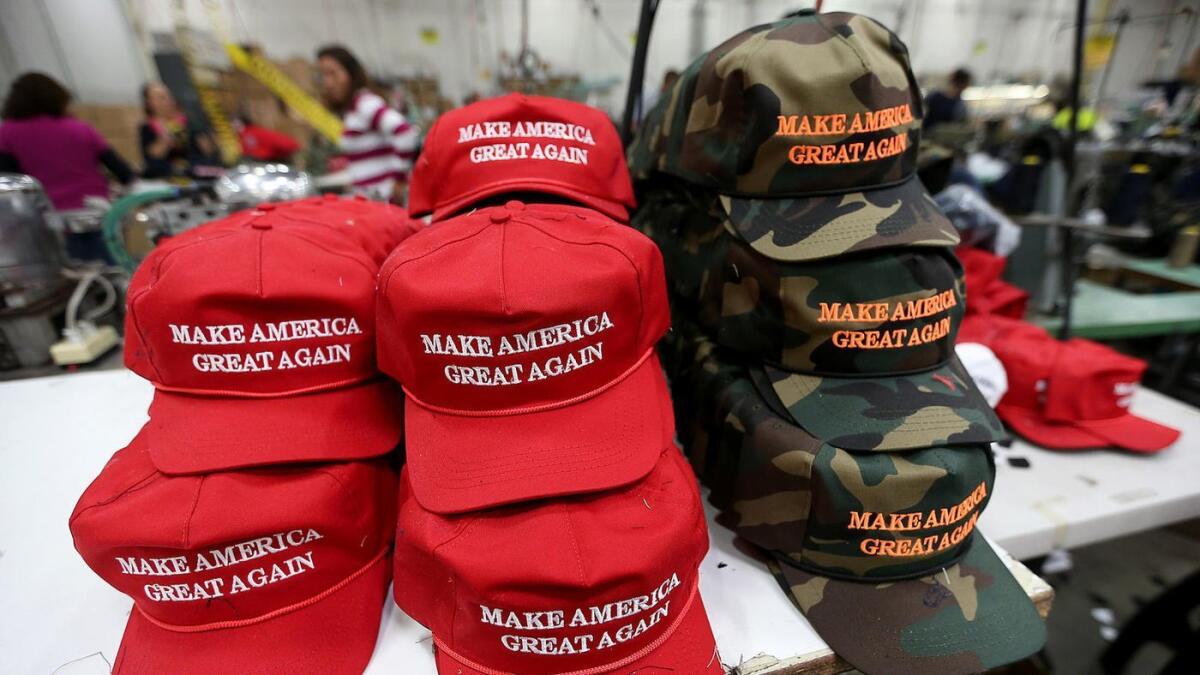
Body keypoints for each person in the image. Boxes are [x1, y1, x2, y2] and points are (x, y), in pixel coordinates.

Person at [0, 72, 135, 261]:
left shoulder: (6, 133)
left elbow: (10, 183)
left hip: (49, 223)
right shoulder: (81, 128)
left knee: (72, 284)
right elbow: (123, 172)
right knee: (112, 275)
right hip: (98, 214)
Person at [317, 45, 418, 203]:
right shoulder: (353, 109)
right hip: (371, 199)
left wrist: (398, 180)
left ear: (350, 73)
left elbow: (404, 131)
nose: (328, 83)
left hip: (384, 200)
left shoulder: (365, 104)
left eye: (333, 73)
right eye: (323, 76)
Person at [138, 82, 221, 178]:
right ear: (149, 103)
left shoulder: (189, 121)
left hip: (197, 172)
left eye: (168, 96)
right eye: (160, 97)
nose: (167, 100)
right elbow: (151, 158)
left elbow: (208, 150)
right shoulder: (147, 128)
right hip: (168, 176)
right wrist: (166, 136)